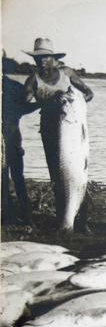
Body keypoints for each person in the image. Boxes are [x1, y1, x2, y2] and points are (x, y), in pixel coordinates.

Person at [22, 38, 94, 231]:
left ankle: (82, 223)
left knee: (78, 172)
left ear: (53, 58)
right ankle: (63, 219)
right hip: (50, 133)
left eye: (46, 57)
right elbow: (23, 104)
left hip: (72, 129)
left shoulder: (67, 74)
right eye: (38, 58)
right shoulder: (33, 80)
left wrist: (75, 104)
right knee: (58, 176)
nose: (42, 61)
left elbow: (88, 93)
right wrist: (44, 103)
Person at [2, 54, 37, 225]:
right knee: (15, 177)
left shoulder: (14, 87)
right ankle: (18, 215)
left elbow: (22, 108)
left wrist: (41, 103)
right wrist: (41, 104)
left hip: (12, 138)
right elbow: (23, 108)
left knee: (14, 177)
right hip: (12, 137)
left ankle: (21, 215)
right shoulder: (15, 87)